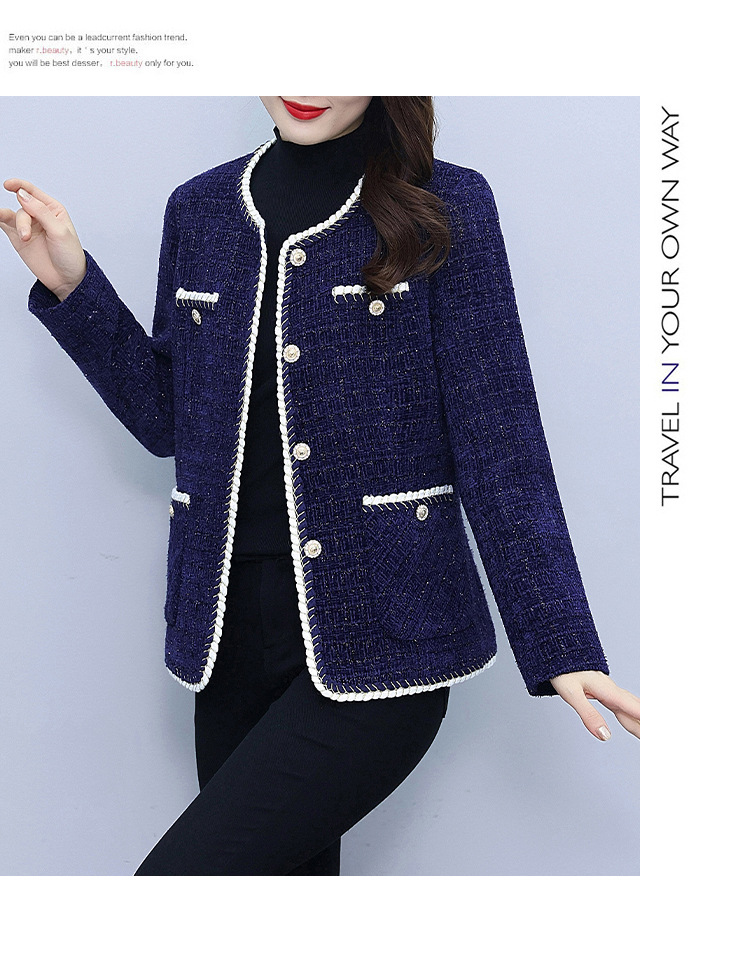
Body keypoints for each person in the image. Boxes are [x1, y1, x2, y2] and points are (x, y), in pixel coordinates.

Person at [1, 96, 640, 876]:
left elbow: (499, 435)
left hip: (384, 637)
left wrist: (561, 642)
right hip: (226, 638)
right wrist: (75, 288)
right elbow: (171, 422)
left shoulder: (446, 203)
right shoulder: (200, 209)